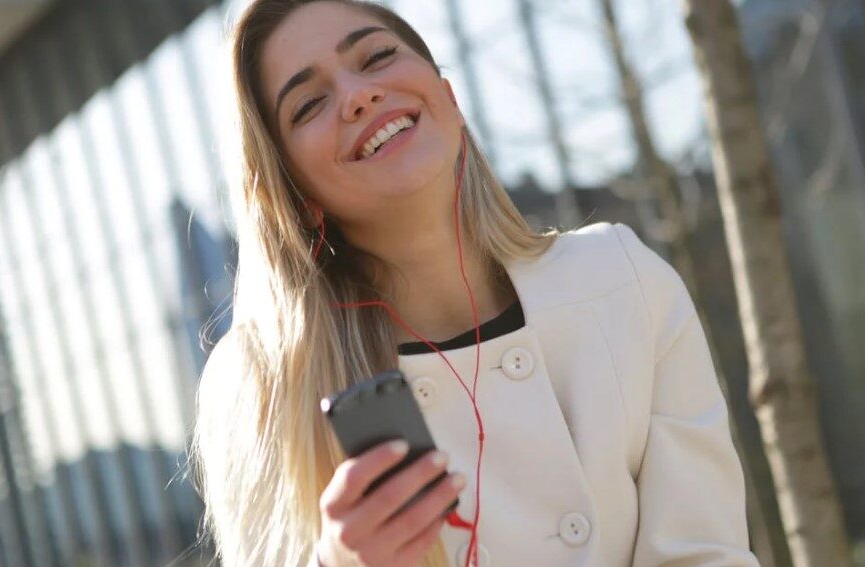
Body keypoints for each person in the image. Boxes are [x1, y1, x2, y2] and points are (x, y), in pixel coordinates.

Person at [191, 1, 760, 566]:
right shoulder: (263, 388)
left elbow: (708, 555)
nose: (358, 95)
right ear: (295, 196)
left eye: (378, 55)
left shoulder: (622, 281)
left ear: (449, 97)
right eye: (309, 103)